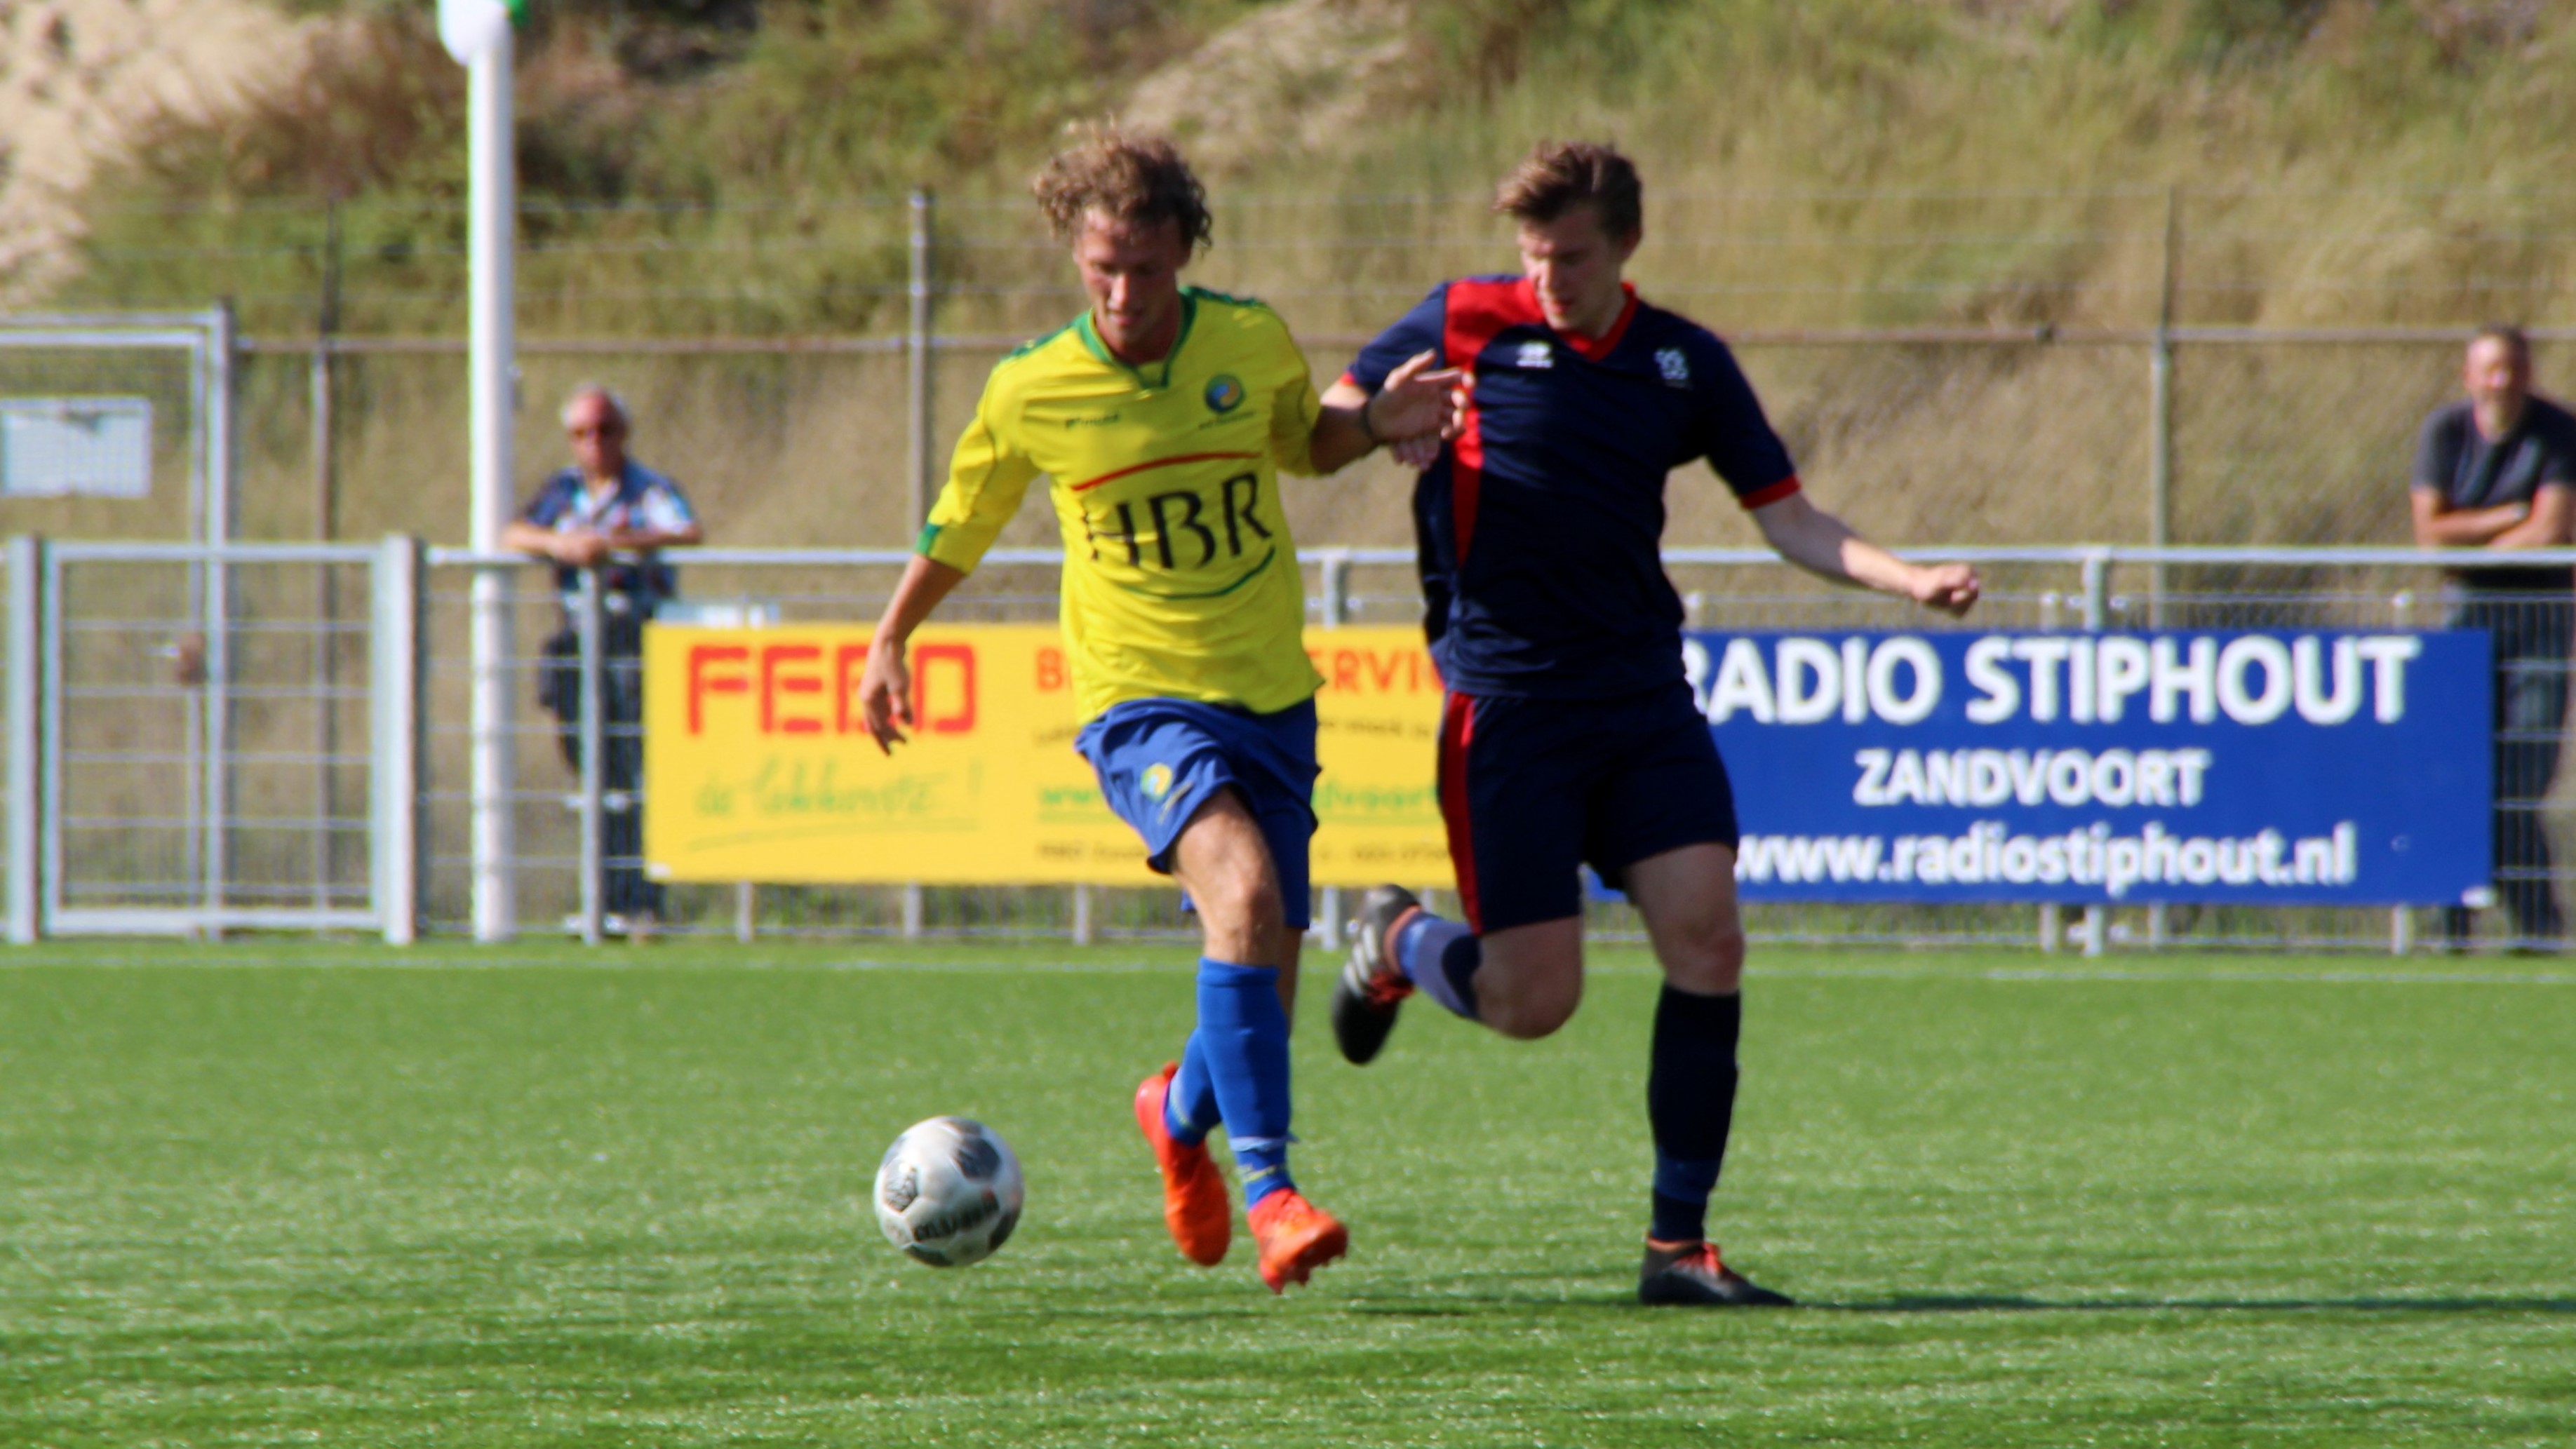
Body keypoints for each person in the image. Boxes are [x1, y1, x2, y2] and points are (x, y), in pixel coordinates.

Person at [1324, 141, 1980, 1307]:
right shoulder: (1464, 319)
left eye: (1572, 256)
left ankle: (1677, 1246)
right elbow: (1322, 431)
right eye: (1533, 254)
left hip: (1640, 702)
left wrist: (1907, 578)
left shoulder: (1683, 361)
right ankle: (1399, 942)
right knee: (1534, 1004)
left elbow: (1789, 516)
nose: (1549, 277)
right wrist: (1381, 418)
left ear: (1627, 244)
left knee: (1708, 939)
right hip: (1509, 710)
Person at [854, 133, 1456, 1294]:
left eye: (1142, 267)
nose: (1122, 293)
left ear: (1183, 251)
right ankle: (1273, 1194)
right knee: (1245, 898)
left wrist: (1376, 423)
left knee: (1263, 974)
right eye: (1101, 269)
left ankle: (1176, 1116)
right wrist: (890, 636)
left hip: (1269, 693)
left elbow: (1304, 444)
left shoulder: (1248, 340)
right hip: (1140, 698)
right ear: (1075, 257)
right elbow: (961, 522)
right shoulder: (1032, 388)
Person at [499, 384, 704, 942]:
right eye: (582, 433)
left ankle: (640, 904)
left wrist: (615, 543)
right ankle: (600, 903)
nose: (595, 443)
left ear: (624, 433)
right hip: (577, 644)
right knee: (590, 770)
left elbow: (686, 530)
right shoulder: (562, 491)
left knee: (636, 772)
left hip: (632, 645)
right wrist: (561, 546)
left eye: (605, 430)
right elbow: (514, 532)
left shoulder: (648, 489)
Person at [2410, 324, 2576, 950]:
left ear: (2528, 373)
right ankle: (2450, 927)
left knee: (2519, 781)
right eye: (2490, 369)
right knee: (2455, 772)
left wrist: (2469, 541)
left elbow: (2550, 530)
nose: (2502, 381)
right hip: (2467, 616)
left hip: (2540, 617)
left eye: (2513, 368)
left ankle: (2538, 929)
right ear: (2469, 376)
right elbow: (2429, 534)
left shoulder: (2558, 431)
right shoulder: (2445, 432)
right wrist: (2509, 517)